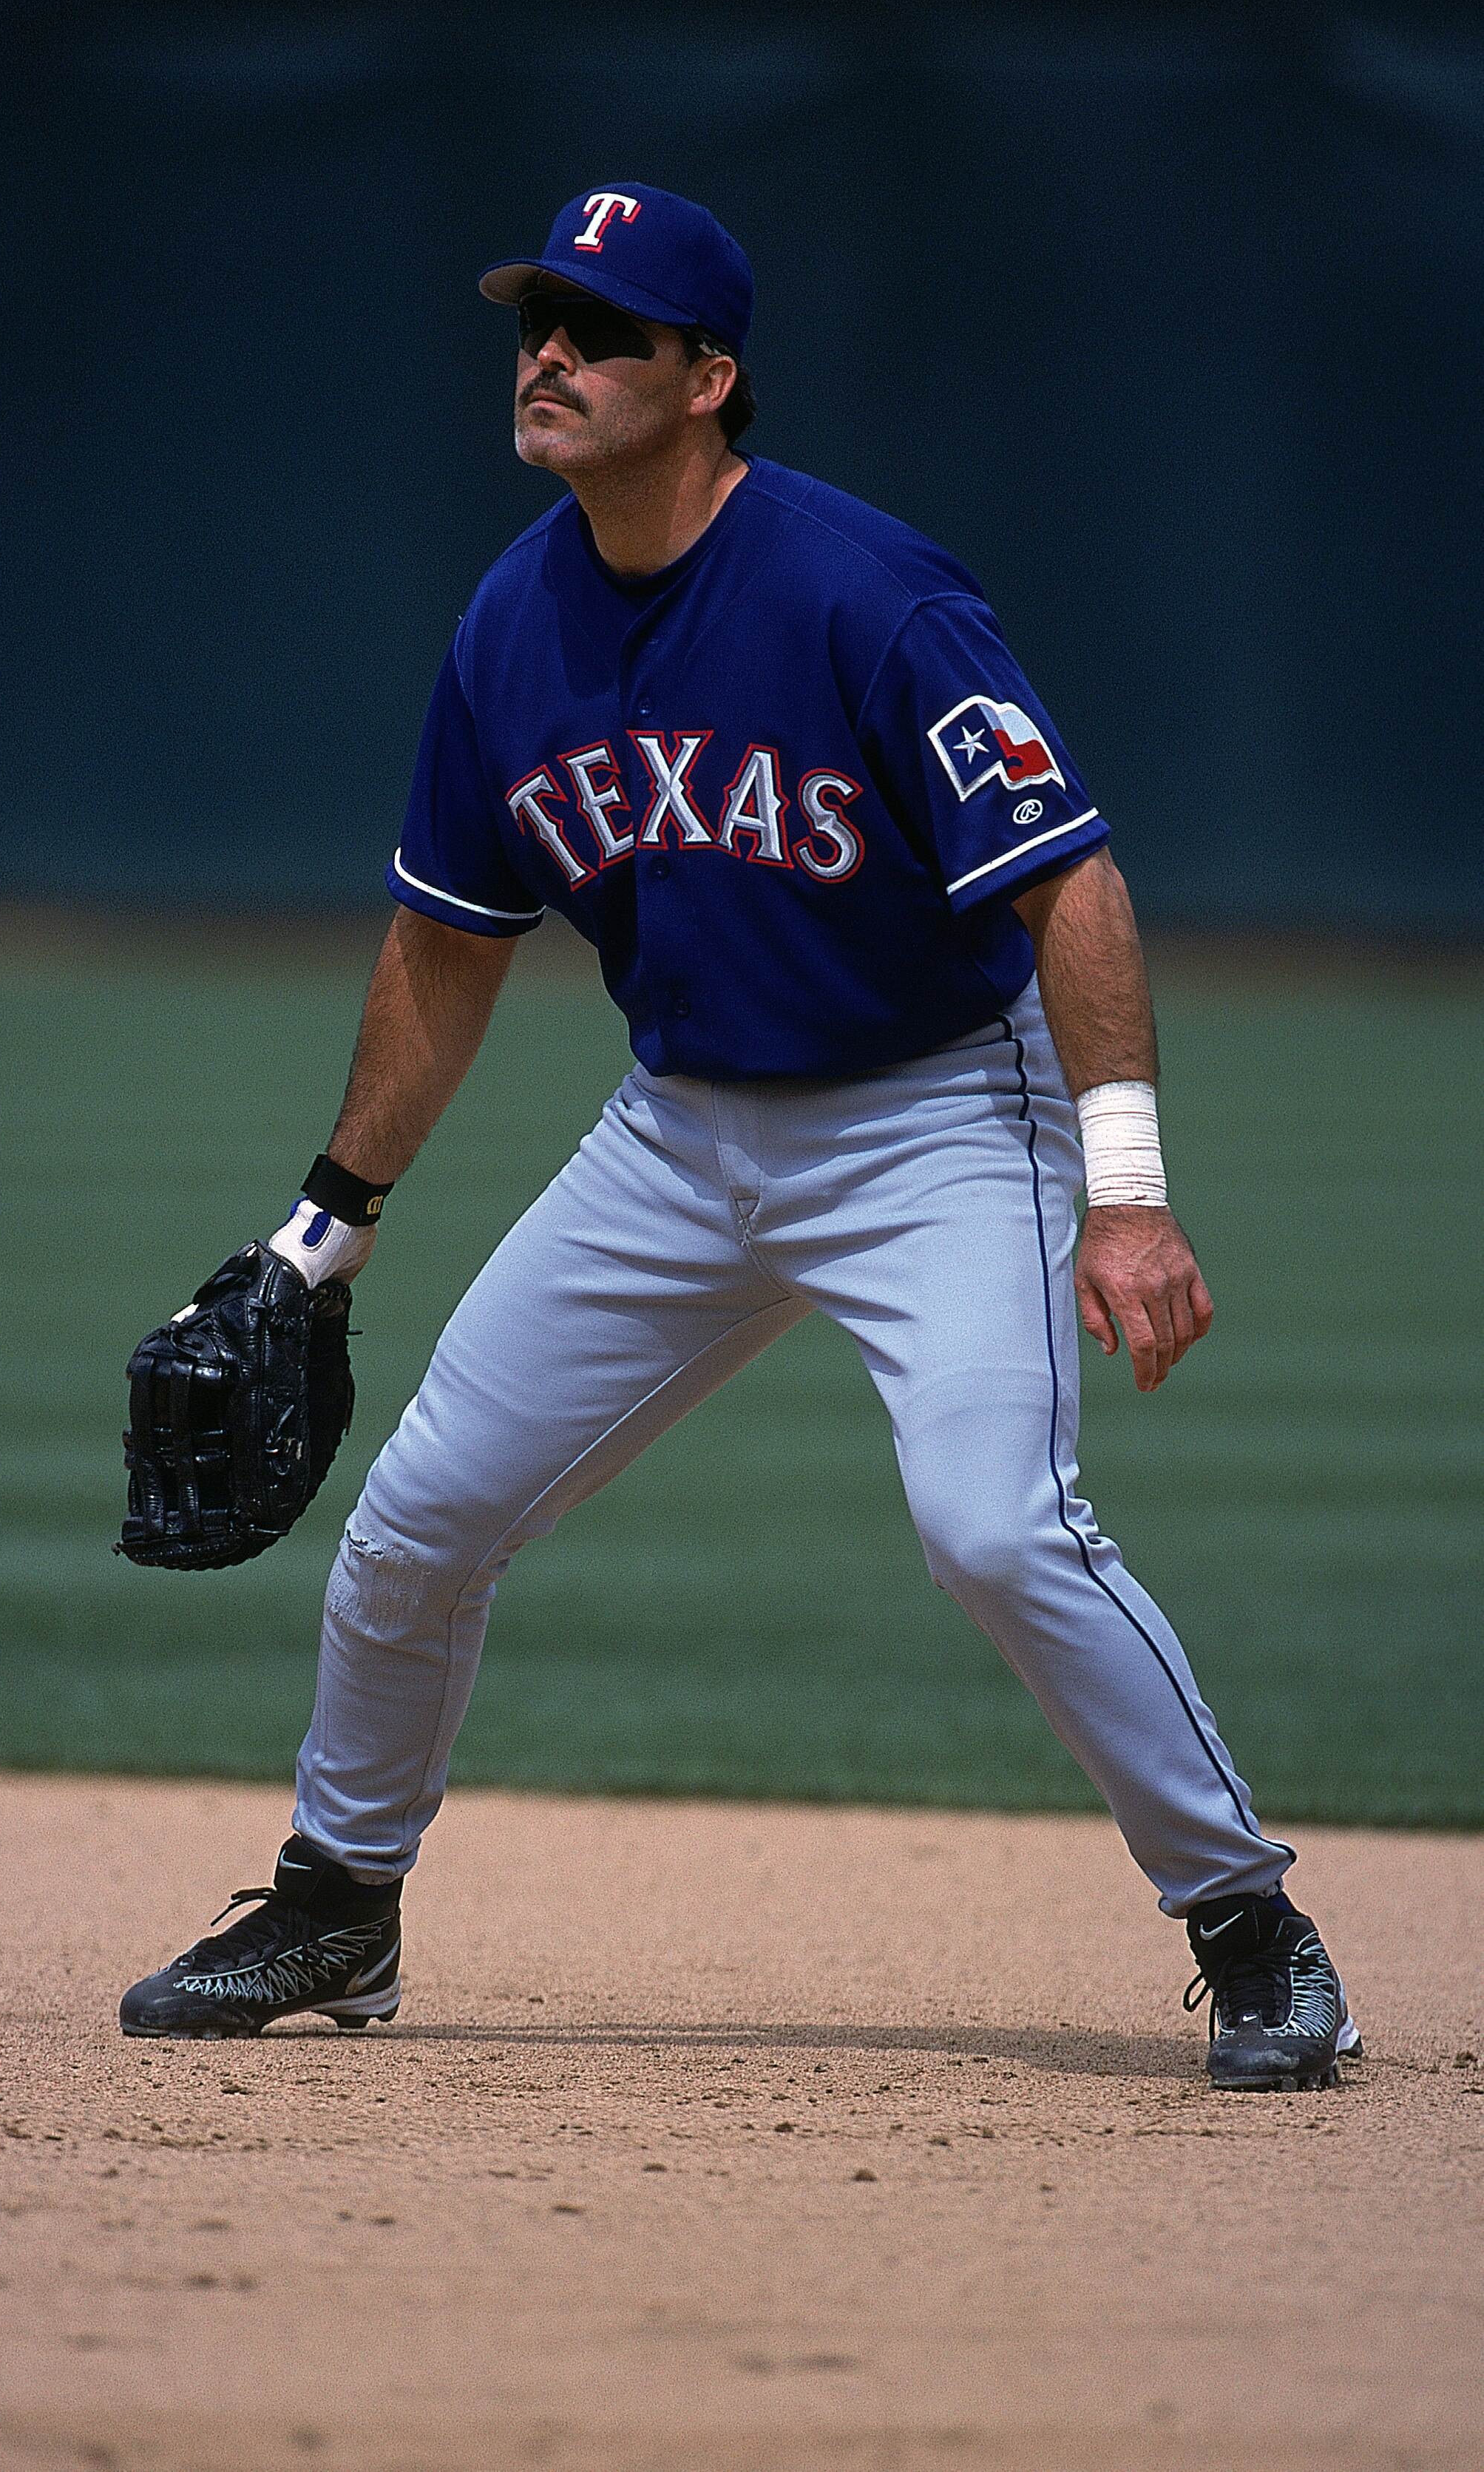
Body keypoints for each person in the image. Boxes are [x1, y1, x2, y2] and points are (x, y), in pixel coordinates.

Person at [120, 184, 1358, 2092]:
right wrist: (327, 1229)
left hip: (943, 1111)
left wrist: (1130, 1195)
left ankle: (1250, 1921)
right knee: (422, 1514)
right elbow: (444, 952)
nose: (550, 354)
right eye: (537, 319)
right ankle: (335, 1902)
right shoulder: (510, 621)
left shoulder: (867, 593)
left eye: (601, 331)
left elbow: (1074, 887)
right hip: (680, 1137)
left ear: (709, 381)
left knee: (994, 1524)